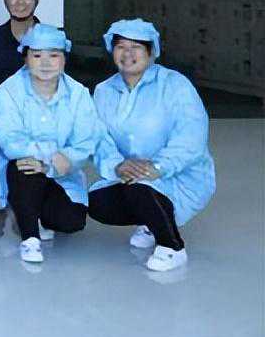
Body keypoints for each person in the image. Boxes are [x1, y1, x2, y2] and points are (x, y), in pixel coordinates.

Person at [88, 19, 216, 273]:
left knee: (141, 189)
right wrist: (117, 165)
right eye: (121, 46)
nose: (127, 54)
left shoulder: (175, 85)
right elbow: (97, 137)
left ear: (151, 51)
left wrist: (157, 167)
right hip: (129, 176)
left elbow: (191, 137)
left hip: (180, 174)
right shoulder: (104, 91)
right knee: (97, 203)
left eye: (136, 47)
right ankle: (150, 222)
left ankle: (172, 246)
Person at [0, 24, 101, 264]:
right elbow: (11, 142)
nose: (46, 63)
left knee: (71, 221)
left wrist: (50, 165)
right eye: (37, 55)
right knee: (26, 166)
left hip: (62, 174)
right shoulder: (8, 91)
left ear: (64, 59)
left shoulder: (79, 94)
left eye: (54, 55)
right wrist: (51, 156)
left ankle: (31, 212)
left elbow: (85, 143)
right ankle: (30, 238)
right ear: (25, 58)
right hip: (22, 170)